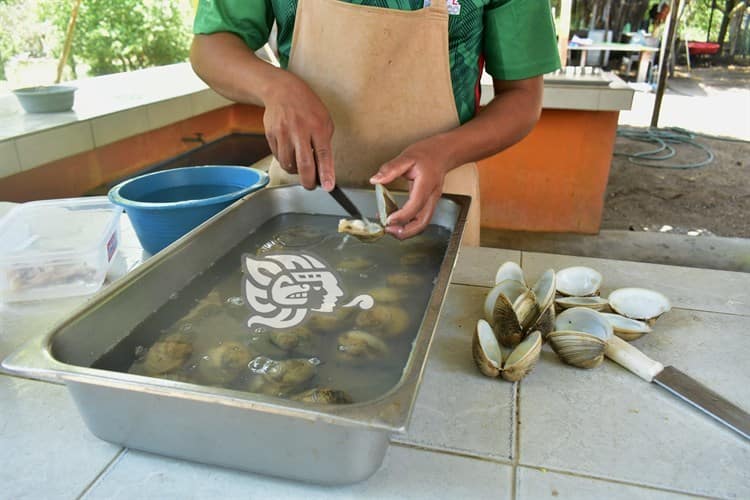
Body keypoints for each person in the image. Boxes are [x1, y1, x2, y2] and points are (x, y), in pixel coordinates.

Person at [191, 0, 560, 245]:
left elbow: (523, 97)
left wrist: (445, 152)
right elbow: (212, 45)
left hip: (437, 205)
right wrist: (274, 87)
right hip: (303, 199)